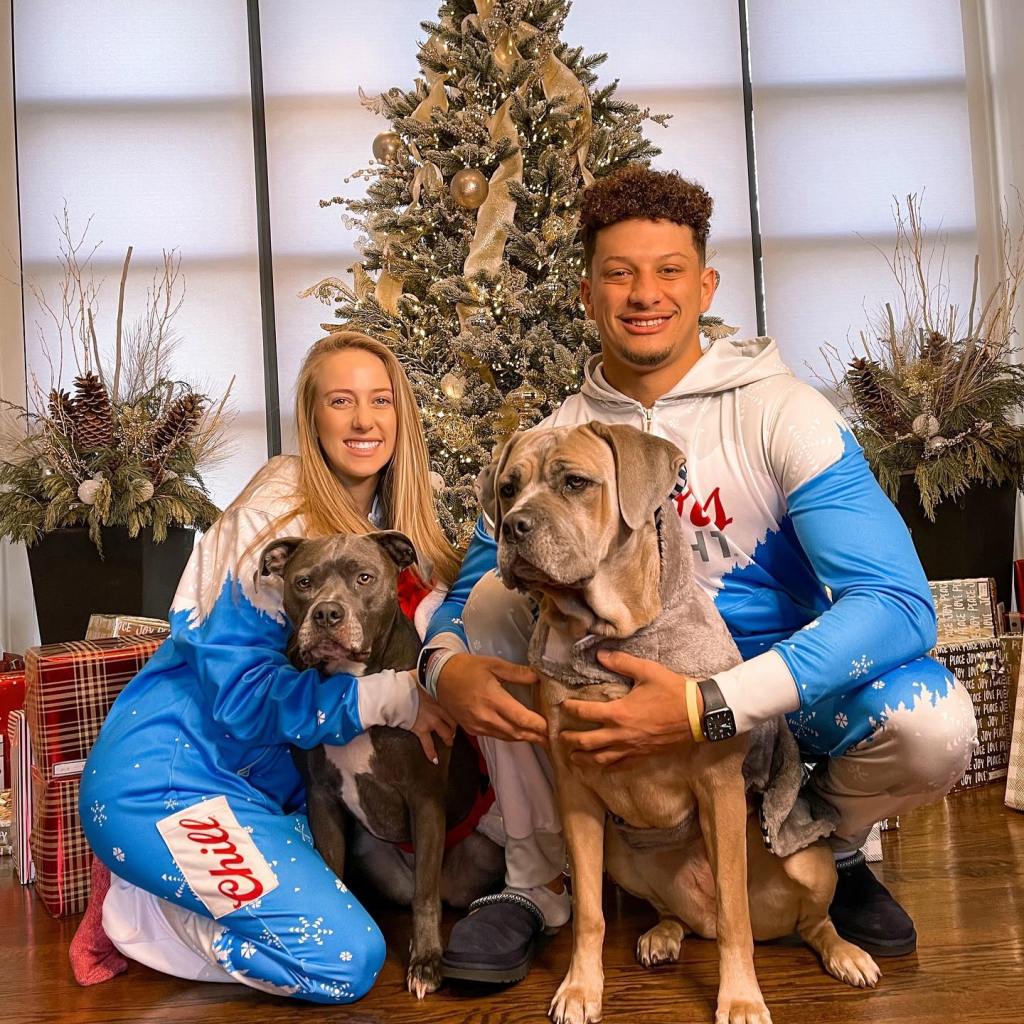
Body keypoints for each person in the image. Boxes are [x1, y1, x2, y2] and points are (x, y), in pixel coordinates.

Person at [422, 164, 979, 982]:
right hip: (606, 692)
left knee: (933, 724)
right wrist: (442, 667)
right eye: (619, 273)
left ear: (705, 283)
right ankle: (537, 879)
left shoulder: (783, 412)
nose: (644, 293)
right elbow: (471, 591)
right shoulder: (553, 444)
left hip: (775, 705)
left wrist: (712, 705)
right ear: (587, 292)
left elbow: (899, 604)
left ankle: (827, 849)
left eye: (668, 270)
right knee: (502, 605)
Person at [80, 331, 462, 1004]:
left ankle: (181, 885)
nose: (364, 420)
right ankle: (151, 914)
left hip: (264, 795)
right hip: (173, 780)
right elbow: (240, 698)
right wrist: (394, 698)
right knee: (344, 961)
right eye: (340, 401)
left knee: (355, 917)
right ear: (311, 419)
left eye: (381, 401)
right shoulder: (275, 510)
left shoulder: (380, 523)